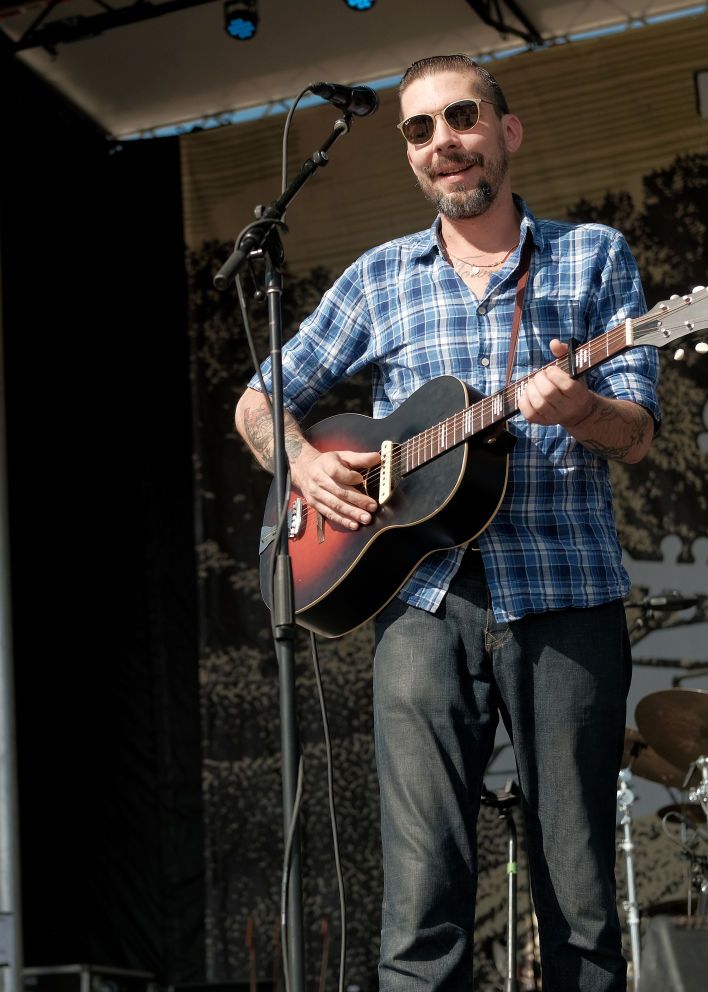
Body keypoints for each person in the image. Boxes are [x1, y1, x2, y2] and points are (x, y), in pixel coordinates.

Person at [234, 53, 660, 991]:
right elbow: (260, 401)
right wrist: (304, 462)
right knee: (422, 896)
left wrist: (576, 410)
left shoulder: (591, 257)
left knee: (580, 892)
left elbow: (635, 435)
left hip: (566, 596)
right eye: (419, 130)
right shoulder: (379, 278)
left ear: (505, 131)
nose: (442, 143)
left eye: (460, 118)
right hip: (421, 605)